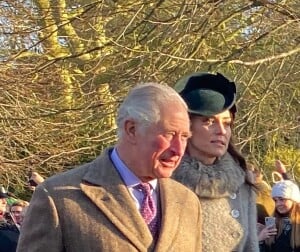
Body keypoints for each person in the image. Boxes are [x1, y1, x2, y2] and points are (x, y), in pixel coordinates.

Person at [17, 83, 202, 252]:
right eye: (170, 134)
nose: (179, 149)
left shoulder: (187, 202)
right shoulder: (57, 197)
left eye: (185, 137)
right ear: (132, 129)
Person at [172, 72, 259, 252]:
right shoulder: (164, 181)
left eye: (227, 123)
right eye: (209, 121)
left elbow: (251, 246)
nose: (221, 131)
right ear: (186, 126)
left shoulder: (243, 182)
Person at [258, 180, 300, 252]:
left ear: (294, 200)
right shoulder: (273, 225)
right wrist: (260, 240)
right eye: (275, 200)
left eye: (282, 199)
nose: (278, 204)